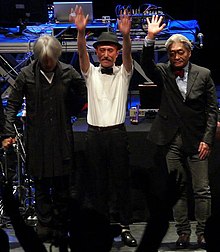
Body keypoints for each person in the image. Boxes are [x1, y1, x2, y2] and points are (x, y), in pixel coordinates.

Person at [136, 15, 218, 251]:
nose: (176, 56)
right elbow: (146, 63)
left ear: (189, 52)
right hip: (171, 140)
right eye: (172, 53)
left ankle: (203, 233)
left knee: (202, 189)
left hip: (197, 140)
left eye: (180, 52)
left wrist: (207, 139)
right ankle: (182, 233)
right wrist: (150, 38)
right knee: (177, 190)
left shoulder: (204, 74)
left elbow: (212, 111)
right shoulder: (163, 71)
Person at [1, 34, 87, 249]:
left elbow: (85, 92)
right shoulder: (26, 74)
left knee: (61, 187)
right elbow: (11, 104)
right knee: (40, 185)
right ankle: (44, 225)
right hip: (37, 138)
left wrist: (75, 108)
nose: (48, 63)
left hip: (61, 136)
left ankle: (60, 226)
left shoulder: (68, 72)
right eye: (44, 59)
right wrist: (7, 132)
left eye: (51, 59)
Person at [69, 5, 137, 247]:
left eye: (110, 50)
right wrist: (80, 32)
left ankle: (125, 226)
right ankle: (101, 227)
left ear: (116, 53)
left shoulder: (124, 73)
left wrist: (126, 36)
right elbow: (81, 54)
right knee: (97, 184)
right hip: (94, 136)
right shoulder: (91, 74)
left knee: (121, 182)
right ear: (96, 53)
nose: (106, 54)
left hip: (117, 134)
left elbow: (129, 55)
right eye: (102, 50)